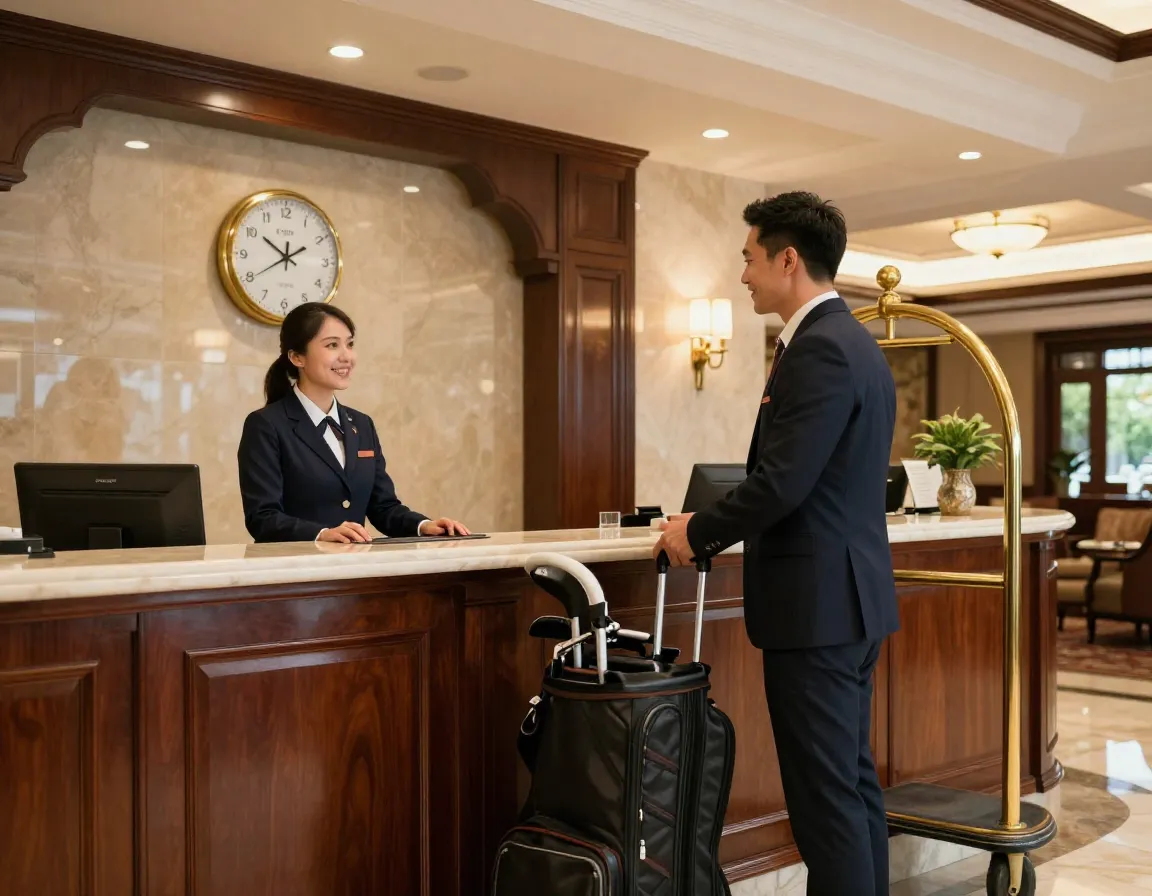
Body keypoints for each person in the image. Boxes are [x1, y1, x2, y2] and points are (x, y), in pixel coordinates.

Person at [653, 192, 898, 896]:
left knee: (827, 803)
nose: (744, 276)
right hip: (843, 605)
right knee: (848, 789)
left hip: (818, 610)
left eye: (749, 259)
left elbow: (783, 483)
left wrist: (694, 530)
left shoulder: (820, 348)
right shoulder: (851, 342)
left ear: (788, 259)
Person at [238, 302, 469, 544]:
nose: (346, 356)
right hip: (297, 571)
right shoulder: (266, 425)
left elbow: (383, 507)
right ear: (297, 357)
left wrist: (424, 525)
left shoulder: (362, 424)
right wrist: (321, 534)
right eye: (332, 345)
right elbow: (262, 518)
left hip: (354, 571)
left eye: (349, 344)